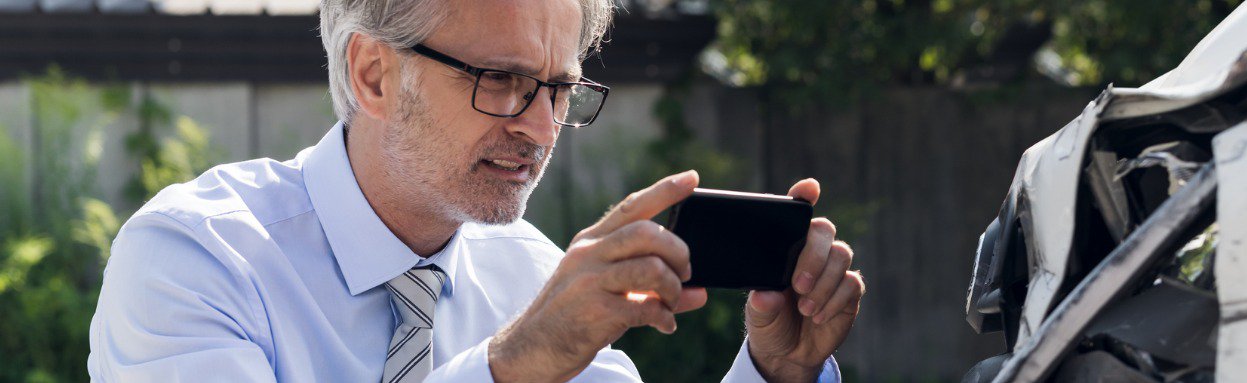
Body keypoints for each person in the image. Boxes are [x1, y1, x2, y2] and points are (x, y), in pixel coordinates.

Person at [85, 0, 866, 381]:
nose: (539, 127)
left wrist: (773, 372)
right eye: (503, 81)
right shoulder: (193, 257)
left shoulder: (534, 279)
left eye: (559, 89)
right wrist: (512, 365)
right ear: (373, 73)